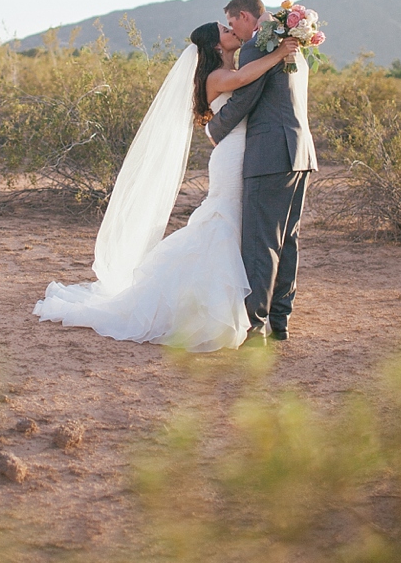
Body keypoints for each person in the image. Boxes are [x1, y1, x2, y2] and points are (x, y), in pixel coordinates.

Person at [33, 21, 300, 352]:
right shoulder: (216, 76)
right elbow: (243, 80)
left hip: (246, 151)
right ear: (216, 47)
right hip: (232, 156)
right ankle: (215, 308)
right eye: (226, 31)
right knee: (224, 218)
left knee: (235, 222)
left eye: (232, 26)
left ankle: (237, 307)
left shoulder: (230, 64)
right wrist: (280, 53)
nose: (233, 31)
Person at [206, 0, 317, 344]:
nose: (235, 33)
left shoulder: (260, 48)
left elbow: (246, 98)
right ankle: (280, 322)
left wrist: (215, 128)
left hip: (269, 155)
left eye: (232, 22)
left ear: (243, 16)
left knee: (260, 242)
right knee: (288, 241)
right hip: (301, 153)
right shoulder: (296, 50)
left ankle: (255, 327)